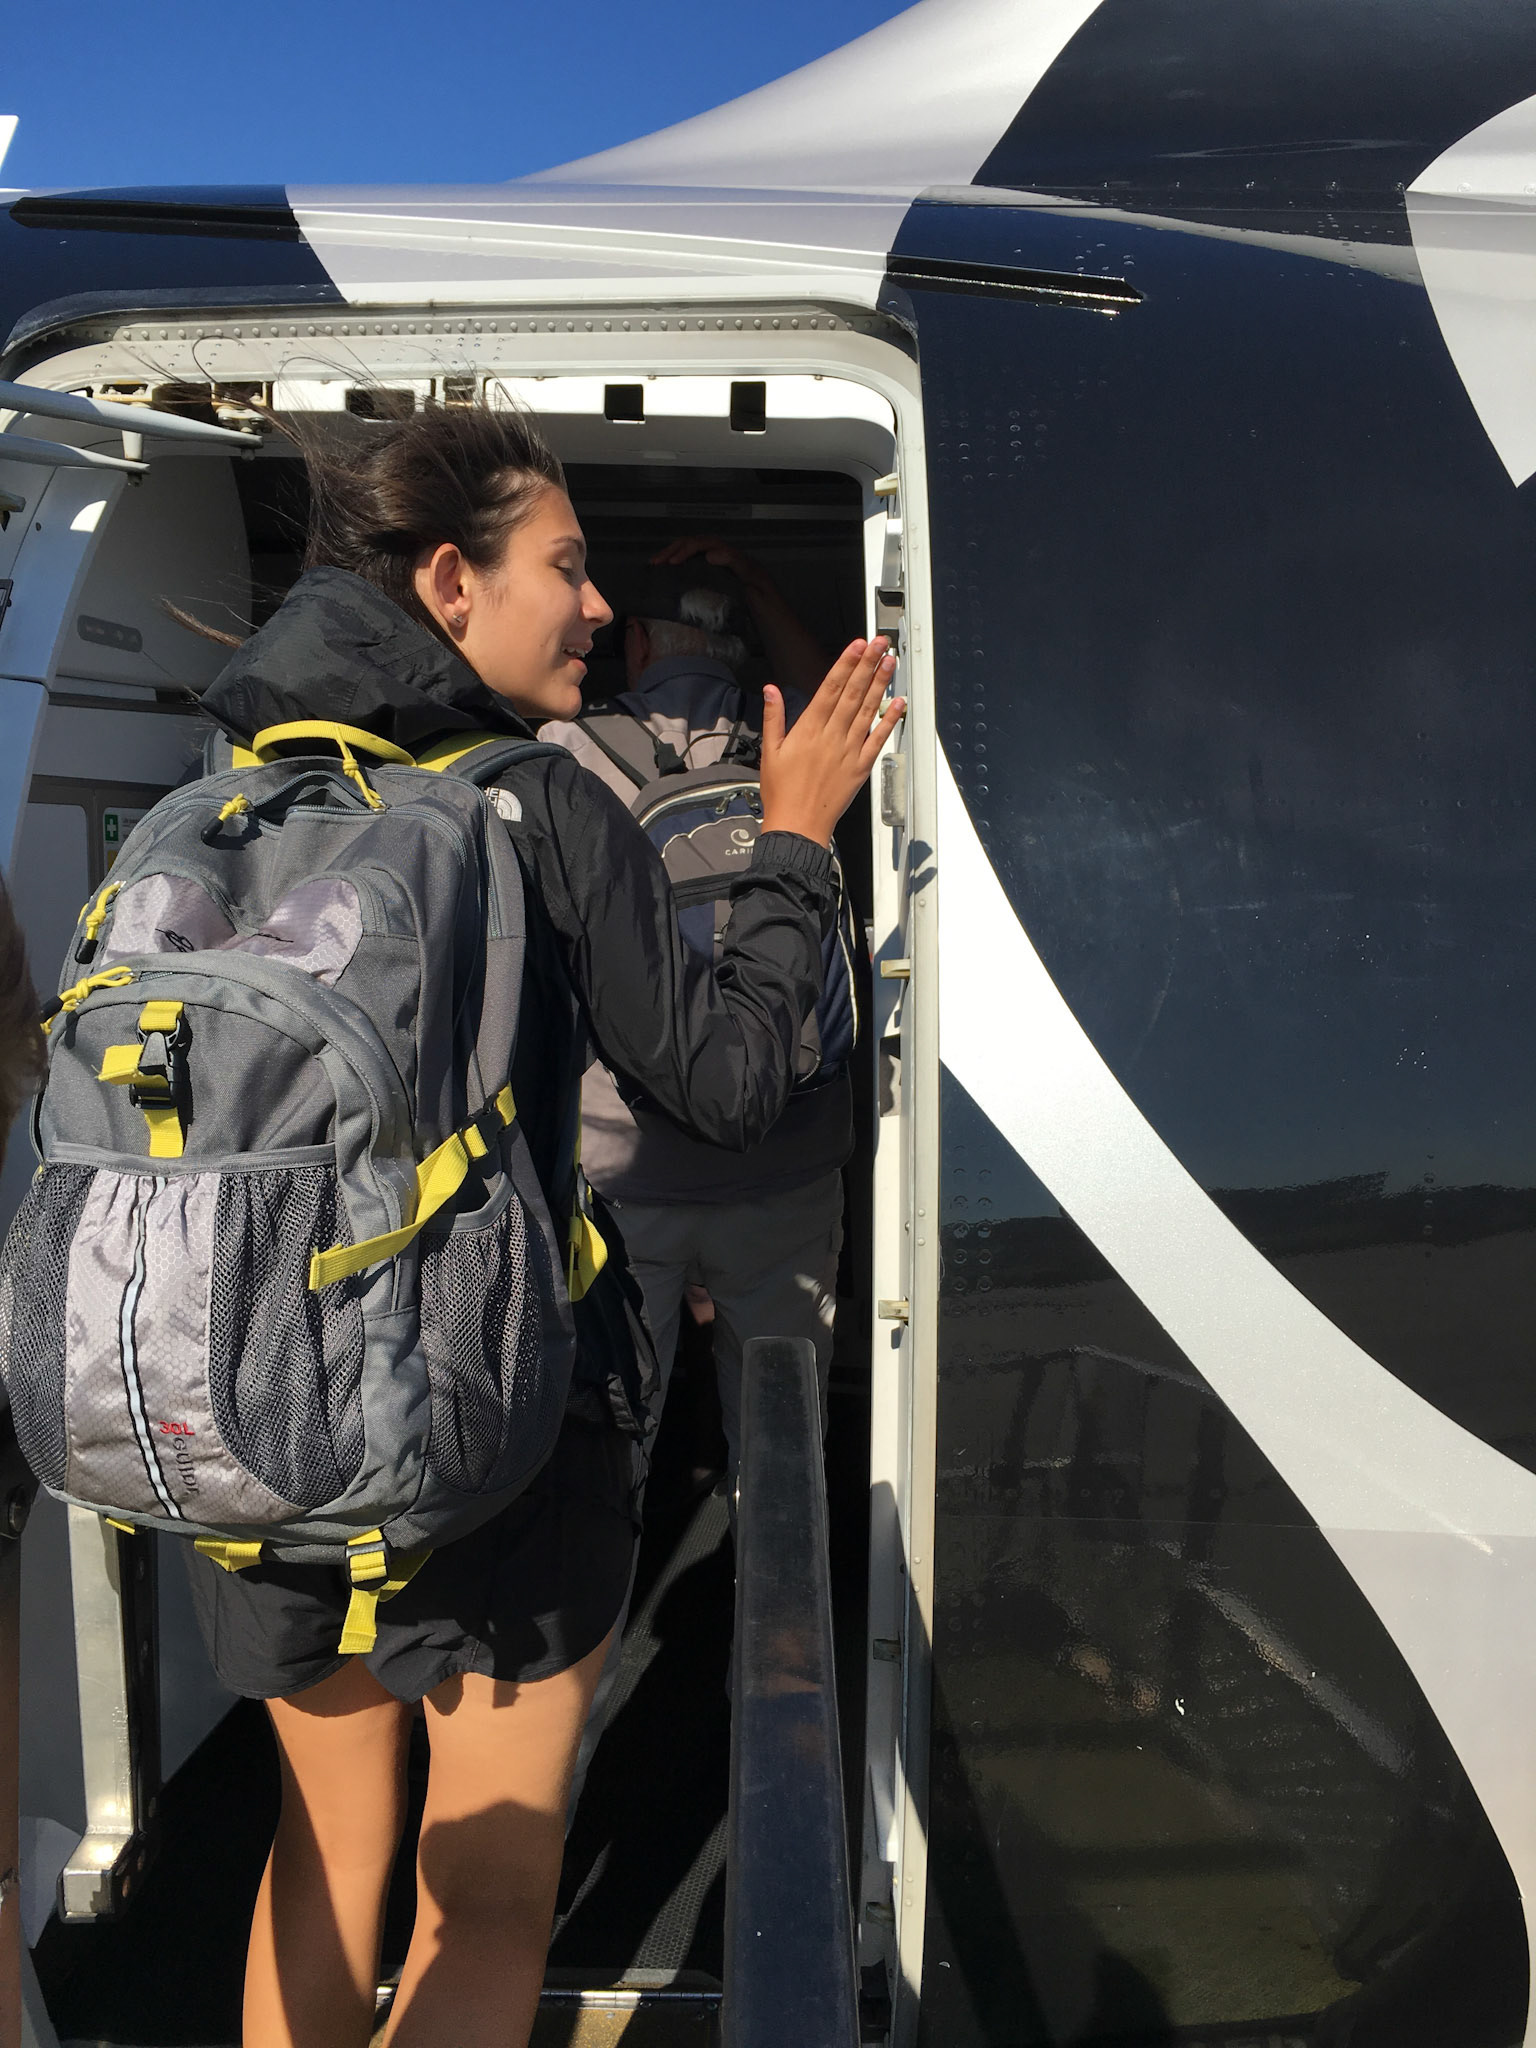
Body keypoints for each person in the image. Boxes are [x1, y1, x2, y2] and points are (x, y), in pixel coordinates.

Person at [186, 407, 902, 2048]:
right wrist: (797, 839)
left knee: (323, 1846)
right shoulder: (532, 804)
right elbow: (729, 1081)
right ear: (452, 582)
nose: (596, 605)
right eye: (566, 568)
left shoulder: (236, 795)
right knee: (489, 1893)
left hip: (262, 1417)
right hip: (482, 1429)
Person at [541, 539, 854, 1493]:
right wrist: (760, 582)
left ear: (635, 642)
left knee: (610, 1436)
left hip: (624, 1170)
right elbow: (844, 694)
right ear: (736, 647)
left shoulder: (563, 755)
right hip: (788, 1162)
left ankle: (613, 1573)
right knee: (781, 1423)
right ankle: (781, 1576)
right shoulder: (801, 747)